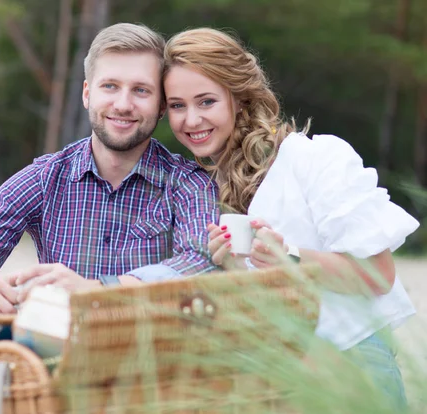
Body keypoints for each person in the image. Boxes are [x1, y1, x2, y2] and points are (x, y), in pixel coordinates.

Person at [0, 23, 220, 414]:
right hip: (49, 349)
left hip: (140, 359)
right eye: (110, 86)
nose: (123, 104)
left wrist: (99, 291)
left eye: (141, 90)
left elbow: (199, 260)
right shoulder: (48, 176)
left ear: (160, 106)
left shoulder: (186, 183)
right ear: (87, 94)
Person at [162, 27, 419, 410]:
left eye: (206, 101)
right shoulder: (203, 191)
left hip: (351, 371)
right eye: (177, 106)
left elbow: (378, 275)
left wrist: (291, 256)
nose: (192, 119)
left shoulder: (311, 159)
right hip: (272, 384)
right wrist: (231, 266)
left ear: (238, 98)